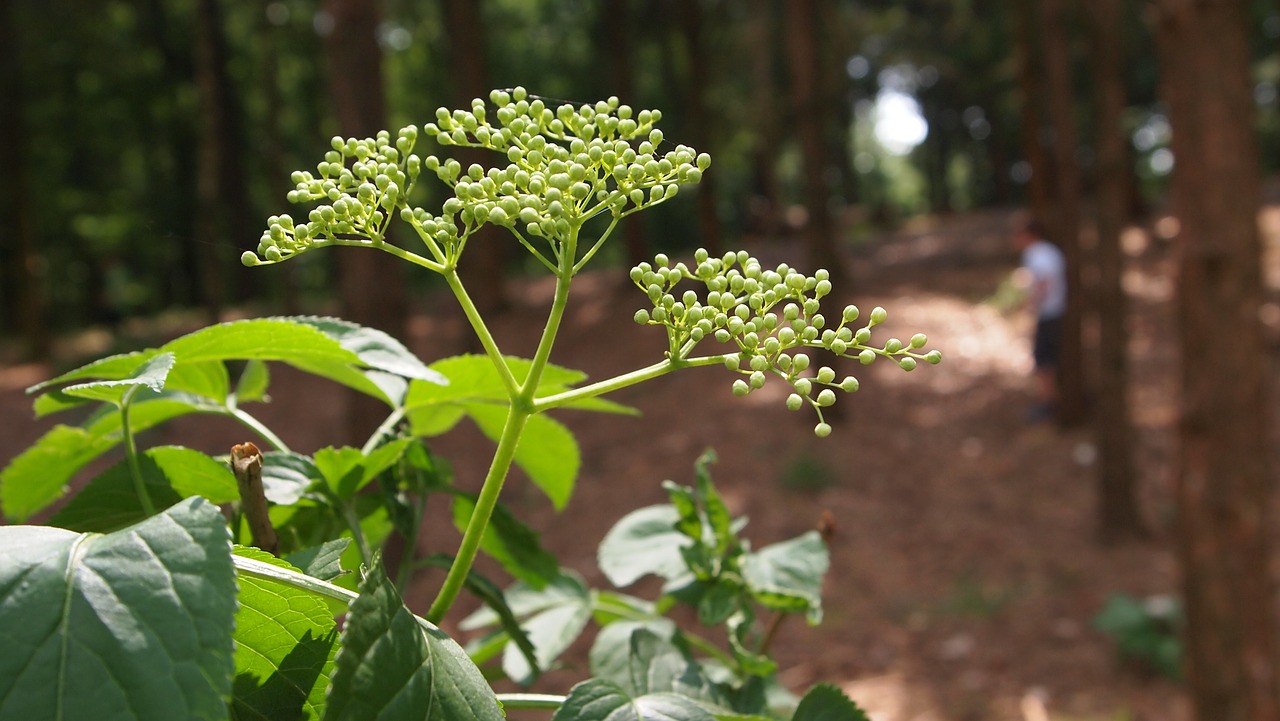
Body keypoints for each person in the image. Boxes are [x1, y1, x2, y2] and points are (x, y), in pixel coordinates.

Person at [1013, 219, 1066, 420]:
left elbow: (1045, 278)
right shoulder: (1050, 250)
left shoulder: (1036, 253)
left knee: (1044, 360)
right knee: (1048, 358)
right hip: (1056, 311)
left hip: (1049, 313)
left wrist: (1033, 303)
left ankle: (1049, 405)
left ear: (1028, 235)